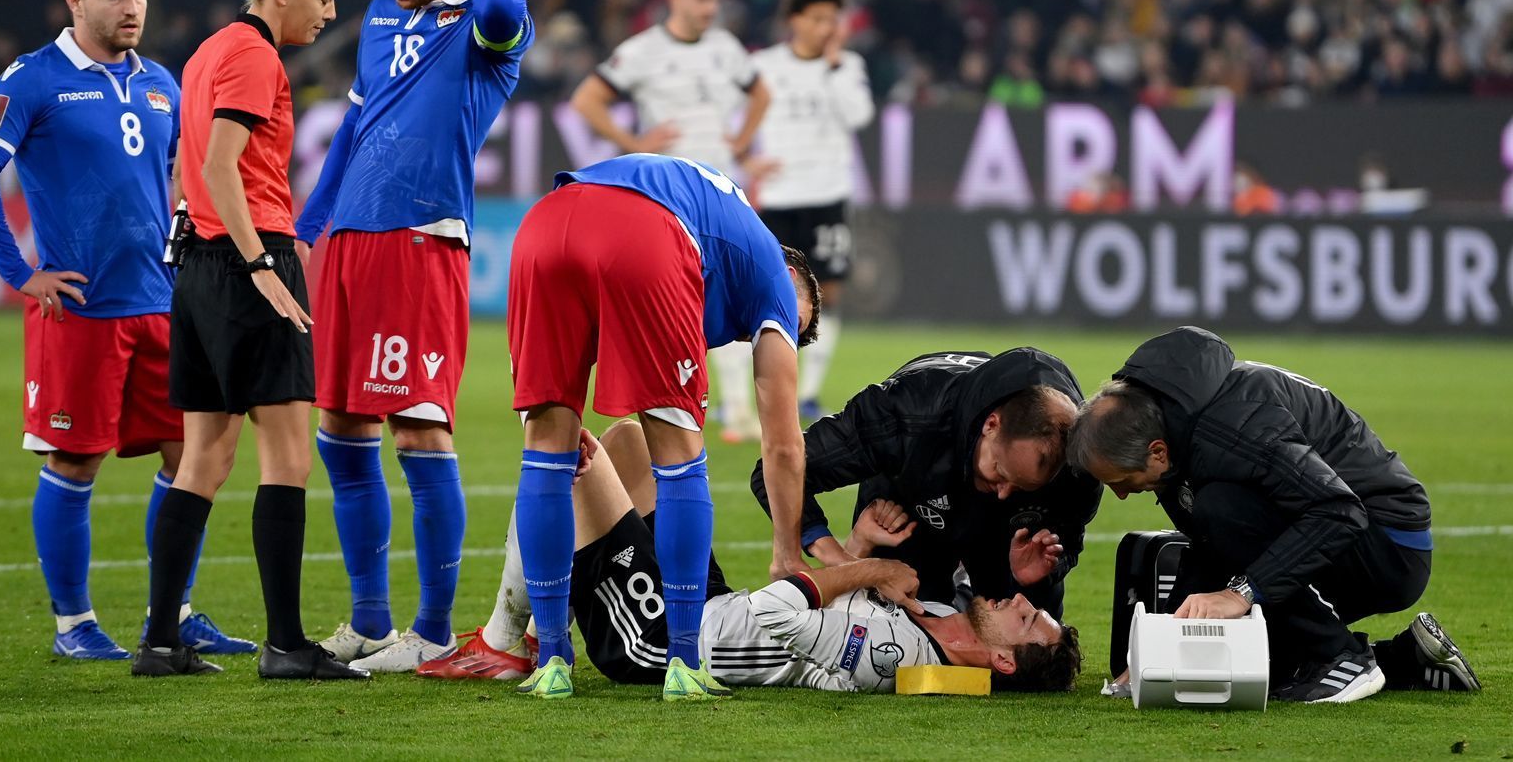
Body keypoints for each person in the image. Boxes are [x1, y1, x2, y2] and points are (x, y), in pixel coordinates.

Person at [0, 0, 252, 661]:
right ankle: (73, 626)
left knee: (188, 459)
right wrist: (21, 274)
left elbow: (189, 176)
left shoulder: (159, 82)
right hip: (80, 310)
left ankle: (173, 611)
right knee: (74, 462)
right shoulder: (31, 79)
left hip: (162, 302)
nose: (132, 7)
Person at [293, 0, 532, 674]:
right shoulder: (382, 15)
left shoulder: (488, 20)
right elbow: (355, 125)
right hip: (353, 242)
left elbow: (500, 12)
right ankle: (368, 621)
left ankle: (430, 632)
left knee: (420, 426)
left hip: (422, 240)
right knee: (340, 429)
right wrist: (306, 230)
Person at [426, 422, 1080, 693]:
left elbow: (780, 608)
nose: (1022, 603)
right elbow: (845, 600)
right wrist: (861, 554)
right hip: (708, 602)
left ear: (998, 660)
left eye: (1027, 619)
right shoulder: (943, 621)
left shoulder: (898, 660)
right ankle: (541, 631)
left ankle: (514, 640)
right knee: (631, 440)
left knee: (562, 442)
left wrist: (867, 568)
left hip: (666, 643)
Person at [133, 0, 363, 680]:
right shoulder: (254, 57)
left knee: (203, 457)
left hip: (198, 265)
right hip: (244, 262)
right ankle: (287, 645)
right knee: (290, 455)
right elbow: (223, 165)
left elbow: (189, 168)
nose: (329, 15)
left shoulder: (206, 53)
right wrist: (262, 264)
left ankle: (162, 641)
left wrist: (206, 248)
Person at [506, 152, 818, 700]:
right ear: (793, 277)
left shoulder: (721, 223)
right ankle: (683, 661)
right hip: (645, 234)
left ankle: (551, 658)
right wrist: (788, 552)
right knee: (679, 460)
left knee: (545, 454)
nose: (768, 334)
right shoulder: (772, 272)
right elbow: (784, 443)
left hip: (545, 223)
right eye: (795, 322)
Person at [1067, 326, 1481, 703]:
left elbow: (1339, 510)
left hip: (1389, 542)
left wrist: (1241, 593)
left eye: (1121, 479)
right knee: (1257, 666)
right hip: (1341, 531)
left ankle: (1344, 659)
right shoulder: (1172, 425)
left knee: (1222, 512)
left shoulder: (1234, 425)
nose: (1120, 495)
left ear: (1156, 452)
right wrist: (1153, 659)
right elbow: (1211, 549)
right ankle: (1408, 659)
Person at [569, 0, 772, 444]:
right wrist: (632, 139)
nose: (710, 9)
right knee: (687, 300)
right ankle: (693, 401)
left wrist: (742, 142)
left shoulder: (726, 49)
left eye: (715, 0)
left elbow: (761, 93)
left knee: (733, 295)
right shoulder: (642, 51)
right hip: (669, 195)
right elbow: (586, 100)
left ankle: (736, 408)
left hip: (723, 189)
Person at [752, 350, 1101, 618]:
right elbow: (775, 472)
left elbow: (1068, 539)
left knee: (1031, 667)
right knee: (898, 630)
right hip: (909, 507)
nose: (1004, 493)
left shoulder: (1079, 466)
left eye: (1024, 487)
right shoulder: (904, 414)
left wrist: (1038, 574)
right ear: (990, 425)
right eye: (999, 472)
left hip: (1009, 543)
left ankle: (972, 585)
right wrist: (841, 558)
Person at [748, 0, 875, 421]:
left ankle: (809, 392)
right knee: (768, 290)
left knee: (829, 292)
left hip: (828, 194)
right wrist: (745, 155)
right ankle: (763, 389)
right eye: (818, 18)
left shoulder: (848, 67)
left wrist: (836, 66)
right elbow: (732, 116)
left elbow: (859, 114)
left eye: (833, 20)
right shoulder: (764, 66)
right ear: (795, 20)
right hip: (779, 194)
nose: (826, 27)